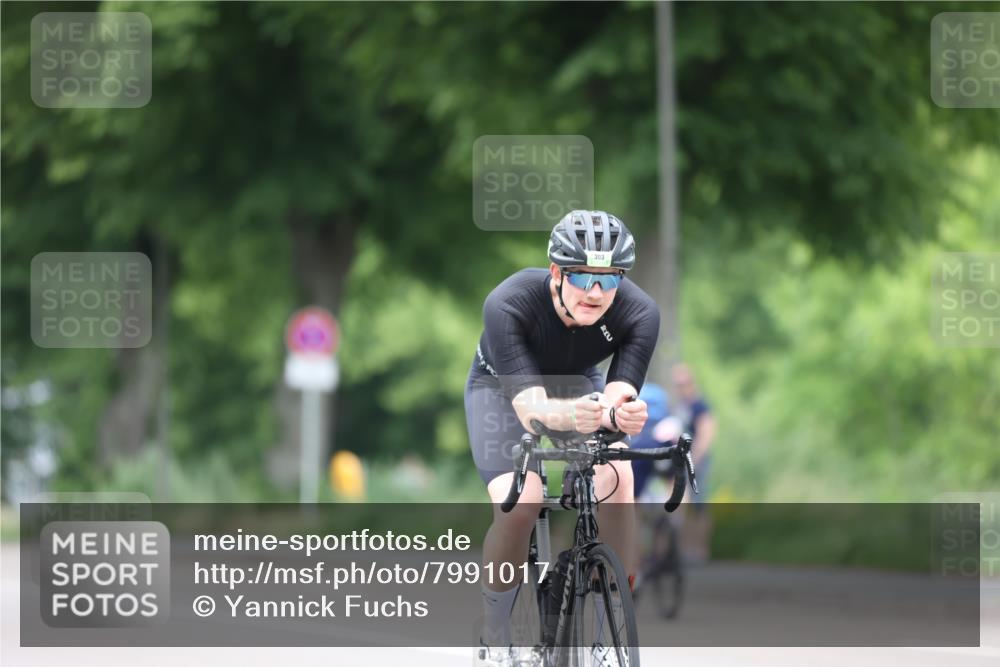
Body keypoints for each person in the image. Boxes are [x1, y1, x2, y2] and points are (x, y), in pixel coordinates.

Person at [465, 210, 660, 665]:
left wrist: (622, 414)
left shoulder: (640, 313)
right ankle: (496, 635)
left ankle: (610, 624)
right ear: (556, 272)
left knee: (619, 475)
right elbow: (531, 408)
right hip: (502, 391)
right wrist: (576, 414)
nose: (595, 293)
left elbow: (618, 394)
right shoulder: (508, 303)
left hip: (577, 384)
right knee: (521, 503)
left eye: (609, 280)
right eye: (582, 278)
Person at [670, 363, 716, 562]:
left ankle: (700, 549)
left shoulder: (700, 405)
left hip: (697, 460)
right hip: (682, 458)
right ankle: (685, 548)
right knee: (683, 503)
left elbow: (707, 430)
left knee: (699, 504)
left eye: (684, 383)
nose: (681, 387)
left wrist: (696, 456)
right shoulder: (680, 406)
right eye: (678, 384)